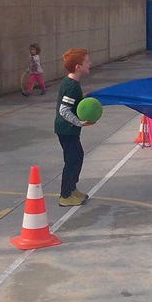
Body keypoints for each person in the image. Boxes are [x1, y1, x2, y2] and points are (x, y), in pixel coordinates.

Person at [54, 48, 95, 207]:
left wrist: (82, 99)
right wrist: (80, 122)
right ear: (78, 67)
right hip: (66, 130)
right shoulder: (72, 85)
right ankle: (65, 195)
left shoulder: (72, 83)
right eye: (87, 61)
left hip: (69, 130)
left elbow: (71, 103)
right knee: (72, 160)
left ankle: (72, 189)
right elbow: (64, 110)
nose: (89, 63)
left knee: (77, 156)